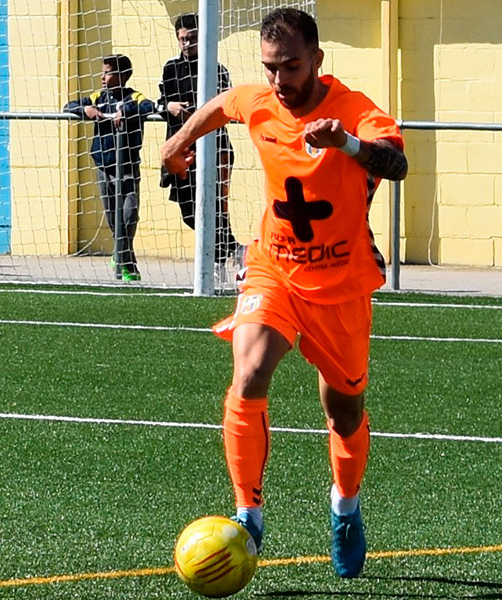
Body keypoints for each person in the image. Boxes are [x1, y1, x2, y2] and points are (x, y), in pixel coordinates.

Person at [161, 8, 407, 579]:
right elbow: (224, 105)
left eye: (291, 66)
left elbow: (396, 163)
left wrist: (346, 143)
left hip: (341, 284)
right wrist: (177, 142)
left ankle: (344, 506)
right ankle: (248, 512)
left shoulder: (354, 109)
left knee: (344, 411)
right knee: (248, 372)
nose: (279, 80)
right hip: (273, 268)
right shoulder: (261, 100)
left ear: (317, 60)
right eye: (271, 67)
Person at [157, 13, 242, 272]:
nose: (186, 44)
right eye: (182, 39)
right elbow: (161, 101)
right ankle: (233, 249)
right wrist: (169, 106)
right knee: (189, 211)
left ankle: (217, 261)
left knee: (214, 205)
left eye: (192, 38)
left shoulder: (215, 68)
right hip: (182, 149)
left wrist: (198, 113)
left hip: (213, 146)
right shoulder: (170, 68)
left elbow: (225, 104)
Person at [64, 54, 155, 281]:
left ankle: (119, 255)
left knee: (129, 212)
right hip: (103, 164)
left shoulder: (133, 96)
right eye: (102, 72)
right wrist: (85, 110)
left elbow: (148, 106)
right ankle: (127, 264)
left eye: (108, 72)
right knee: (112, 215)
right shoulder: (98, 97)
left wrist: (126, 112)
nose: (102, 77)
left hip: (126, 164)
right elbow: (69, 105)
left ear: (123, 75)